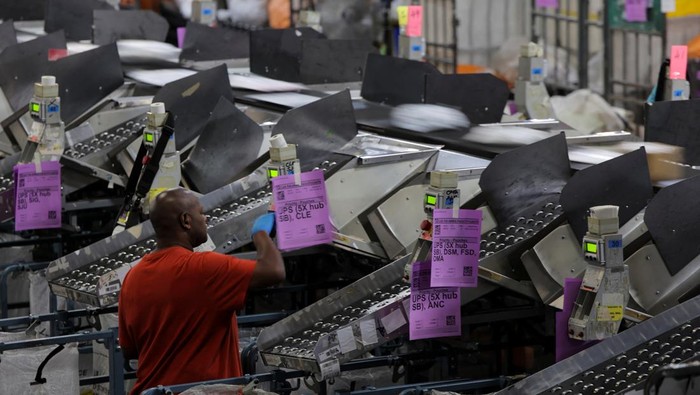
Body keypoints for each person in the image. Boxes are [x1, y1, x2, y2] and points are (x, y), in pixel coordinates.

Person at [118, 188, 284, 394]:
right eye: (201, 213)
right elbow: (274, 271)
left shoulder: (133, 277)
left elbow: (129, 350)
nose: (205, 218)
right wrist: (260, 234)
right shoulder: (203, 267)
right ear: (186, 220)